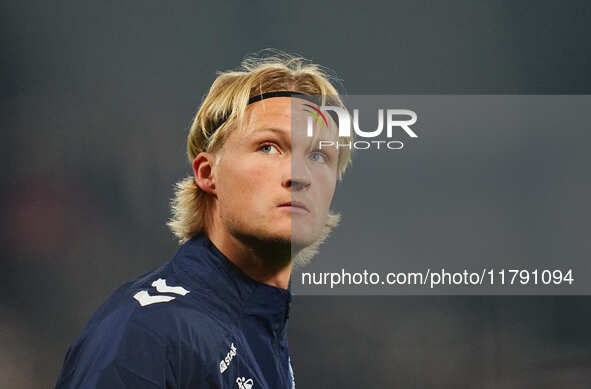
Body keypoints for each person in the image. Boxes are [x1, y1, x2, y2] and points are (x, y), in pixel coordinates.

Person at [54, 52, 352, 389]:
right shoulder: (147, 332)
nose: (300, 176)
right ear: (208, 174)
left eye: (318, 155)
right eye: (269, 147)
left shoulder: (258, 332)